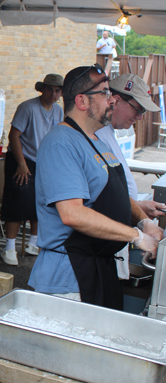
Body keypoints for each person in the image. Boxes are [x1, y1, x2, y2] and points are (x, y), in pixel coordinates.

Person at [28, 64, 163, 310]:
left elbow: (116, 195)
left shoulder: (97, 141)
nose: (112, 100)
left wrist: (145, 222)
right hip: (70, 276)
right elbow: (72, 214)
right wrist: (137, 236)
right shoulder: (61, 143)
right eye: (105, 93)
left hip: (100, 266)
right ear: (82, 101)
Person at [95, 73, 166, 279]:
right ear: (115, 100)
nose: (140, 117)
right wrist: (140, 225)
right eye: (138, 109)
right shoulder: (96, 135)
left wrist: (138, 210)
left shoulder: (108, 132)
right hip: (100, 245)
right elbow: (94, 201)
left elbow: (113, 192)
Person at [0, 74, 64, 266]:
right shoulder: (28, 107)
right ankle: (9, 248)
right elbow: (14, 135)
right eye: (50, 89)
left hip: (44, 160)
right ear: (42, 89)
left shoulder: (59, 111)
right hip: (21, 158)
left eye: (58, 90)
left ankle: (33, 242)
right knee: (18, 201)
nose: (54, 93)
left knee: (42, 201)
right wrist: (21, 163)